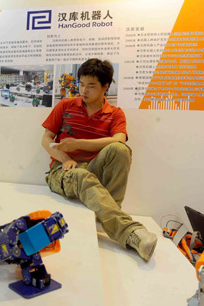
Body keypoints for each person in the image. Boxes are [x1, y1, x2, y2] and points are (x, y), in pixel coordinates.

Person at [41, 58, 157, 262]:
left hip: (93, 170)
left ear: (105, 86)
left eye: (91, 86)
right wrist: (65, 156)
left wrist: (78, 143)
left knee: (120, 150)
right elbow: (46, 139)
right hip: (64, 171)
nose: (83, 90)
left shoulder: (115, 114)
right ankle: (129, 232)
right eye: (81, 84)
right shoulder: (66, 106)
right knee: (81, 175)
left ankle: (108, 215)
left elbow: (119, 141)